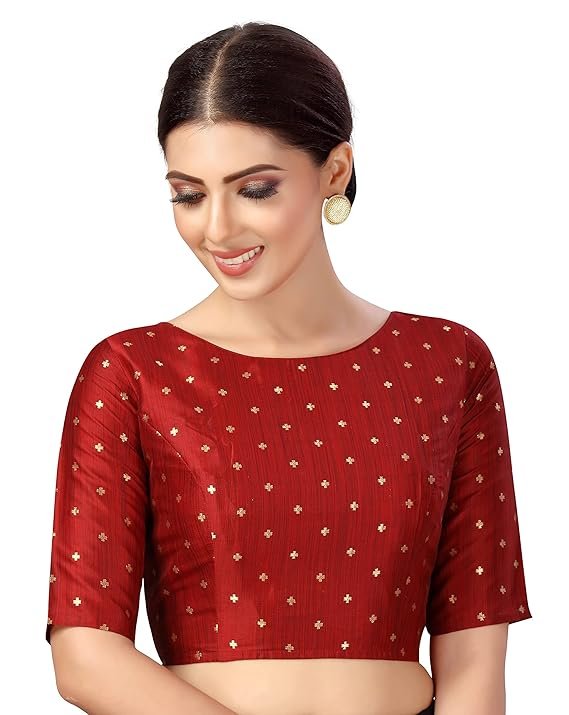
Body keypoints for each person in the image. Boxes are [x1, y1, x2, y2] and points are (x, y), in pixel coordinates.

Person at [44, 21, 532, 715]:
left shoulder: (446, 362)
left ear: (334, 171)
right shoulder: (131, 372)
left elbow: (475, 651)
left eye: (255, 189)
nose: (216, 229)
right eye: (188, 194)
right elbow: (84, 655)